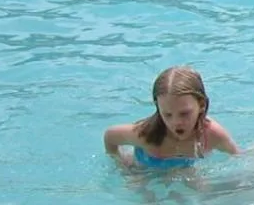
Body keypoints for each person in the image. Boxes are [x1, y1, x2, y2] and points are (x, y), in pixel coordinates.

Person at [103, 66, 240, 168]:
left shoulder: (211, 134)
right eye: (167, 114)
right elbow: (110, 136)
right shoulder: (144, 135)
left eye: (184, 113)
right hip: (145, 172)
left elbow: (238, 157)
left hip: (185, 171)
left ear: (201, 105)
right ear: (158, 108)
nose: (176, 122)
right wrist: (120, 165)